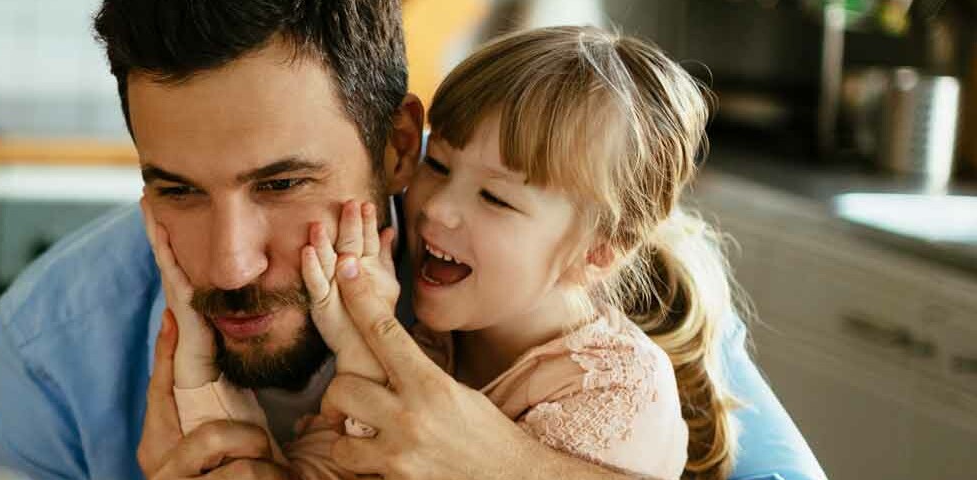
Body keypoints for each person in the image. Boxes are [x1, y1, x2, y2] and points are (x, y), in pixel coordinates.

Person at [0, 1, 826, 479]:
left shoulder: (564, 285)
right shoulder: (51, 347)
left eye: (283, 184)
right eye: (177, 189)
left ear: (396, 148)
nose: (229, 263)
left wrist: (510, 468)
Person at [158, 26, 738, 479]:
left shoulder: (618, 397)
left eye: (495, 197)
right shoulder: (432, 344)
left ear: (601, 250)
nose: (437, 208)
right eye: (439, 166)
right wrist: (199, 374)